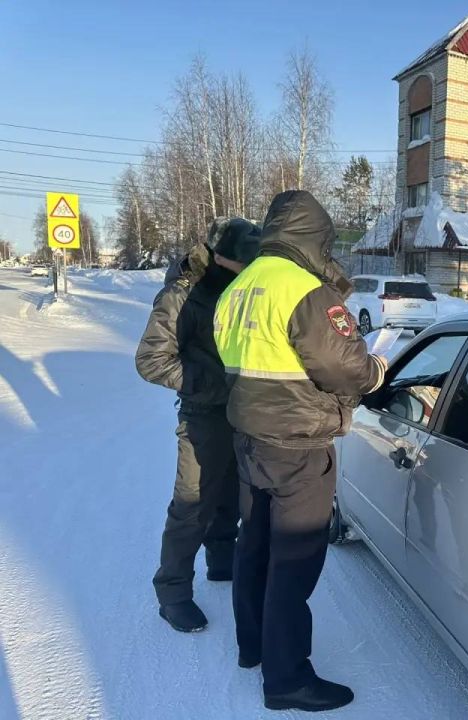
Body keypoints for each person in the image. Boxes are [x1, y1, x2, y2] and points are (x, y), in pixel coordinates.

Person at [214, 190, 387, 713]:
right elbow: (346, 368)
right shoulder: (303, 289)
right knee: (294, 562)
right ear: (315, 237)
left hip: (250, 441)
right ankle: (287, 677)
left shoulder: (239, 285)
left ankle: (253, 648)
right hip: (298, 446)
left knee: (256, 546)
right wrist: (377, 371)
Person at [135, 218, 262, 633]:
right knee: (192, 503)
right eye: (244, 261)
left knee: (233, 492)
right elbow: (151, 360)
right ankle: (172, 593)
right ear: (223, 256)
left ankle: (222, 561)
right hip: (204, 414)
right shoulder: (183, 293)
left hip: (245, 412)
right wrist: (211, 384)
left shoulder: (248, 287)